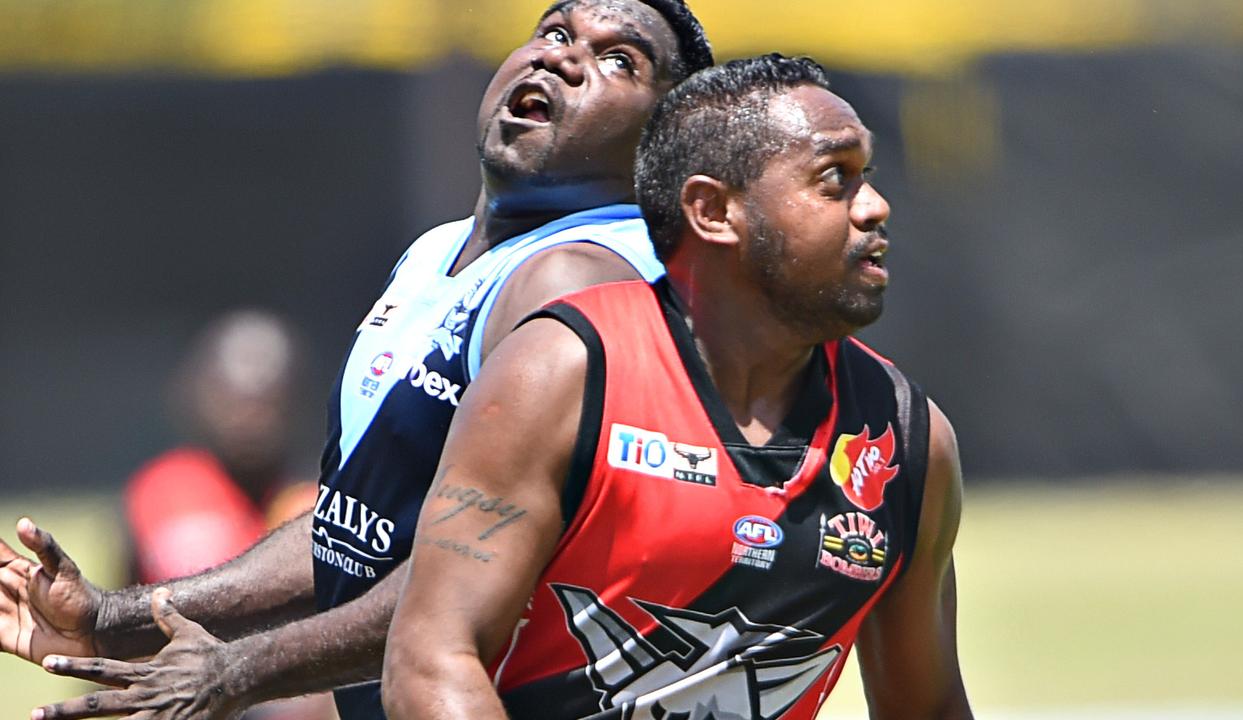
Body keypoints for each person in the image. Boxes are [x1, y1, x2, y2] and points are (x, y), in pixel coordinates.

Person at [0, 2, 713, 719]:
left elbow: (467, 578)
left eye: (620, 60)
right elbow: (349, 534)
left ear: (664, 145)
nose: (563, 57)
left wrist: (236, 671)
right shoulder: (435, 253)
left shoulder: (581, 283)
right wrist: (110, 619)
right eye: (555, 32)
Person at [381, 54, 973, 719]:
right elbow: (430, 660)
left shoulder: (905, 442)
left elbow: (930, 707)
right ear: (713, 210)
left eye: (867, 176)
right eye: (835, 179)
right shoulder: (562, 375)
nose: (874, 207)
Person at [124, 310, 315, 586]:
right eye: (233, 401)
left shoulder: (325, 500)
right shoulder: (161, 491)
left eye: (265, 403)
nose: (248, 419)